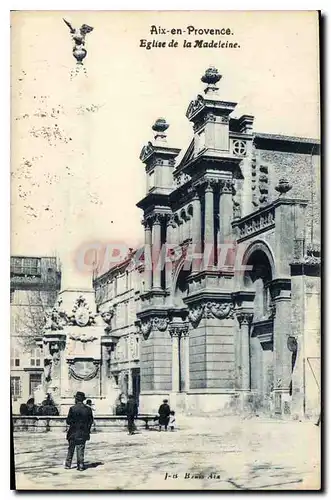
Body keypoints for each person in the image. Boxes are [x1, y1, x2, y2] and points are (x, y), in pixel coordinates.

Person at [65, 391, 93, 471]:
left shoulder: (72, 408)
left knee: (71, 448)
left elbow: (68, 421)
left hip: (73, 432)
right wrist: (87, 429)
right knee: (80, 448)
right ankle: (80, 465)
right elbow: (90, 421)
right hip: (83, 432)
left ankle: (68, 464)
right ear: (83, 399)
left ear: (76, 399)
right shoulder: (88, 409)